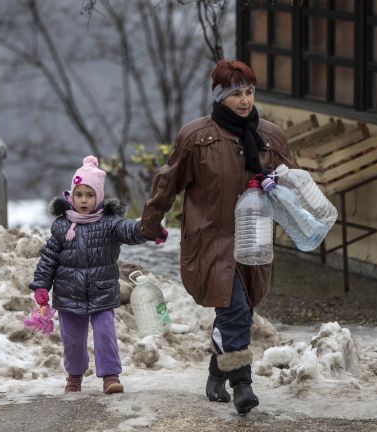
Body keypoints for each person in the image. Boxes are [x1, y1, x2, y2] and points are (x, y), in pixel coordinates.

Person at [140, 59, 295, 415]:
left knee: (237, 313)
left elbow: (292, 185)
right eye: (236, 93)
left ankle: (215, 371)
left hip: (254, 241)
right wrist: (150, 223)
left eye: (250, 92)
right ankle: (242, 383)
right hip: (211, 240)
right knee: (236, 309)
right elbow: (168, 182)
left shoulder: (270, 137)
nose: (244, 100)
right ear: (220, 96)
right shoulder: (196, 137)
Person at [29, 155, 165, 394]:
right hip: (69, 294)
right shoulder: (62, 226)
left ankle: (110, 376)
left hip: (101, 293)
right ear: (71, 196)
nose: (84, 200)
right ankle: (74, 376)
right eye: (79, 194)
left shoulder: (110, 223)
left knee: (105, 335)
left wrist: (149, 229)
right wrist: (42, 287)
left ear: (99, 197)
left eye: (90, 195)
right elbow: (48, 258)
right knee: (72, 340)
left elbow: (130, 230)